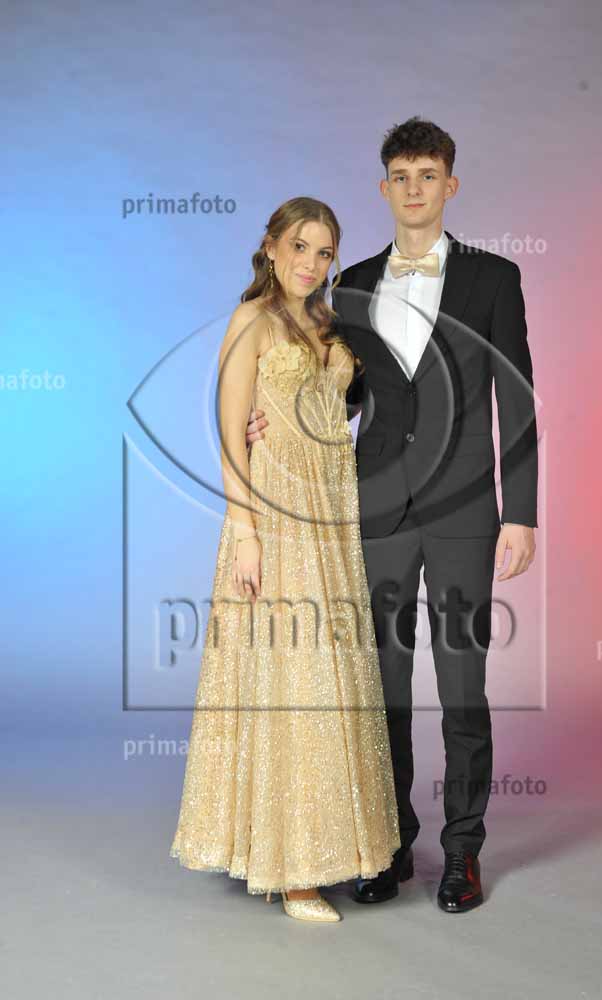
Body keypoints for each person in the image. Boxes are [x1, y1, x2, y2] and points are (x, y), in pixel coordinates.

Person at [245, 118, 538, 913]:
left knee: (463, 684)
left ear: (449, 185)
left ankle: (462, 850)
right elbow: (341, 392)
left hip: (464, 510)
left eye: (427, 174)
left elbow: (515, 400)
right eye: (400, 176)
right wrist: (272, 411)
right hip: (374, 508)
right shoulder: (351, 281)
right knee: (381, 688)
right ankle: (391, 845)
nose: (414, 188)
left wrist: (521, 513)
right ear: (384, 188)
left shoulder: (494, 277)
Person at [170, 196, 401, 923]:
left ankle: (337, 845)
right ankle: (293, 867)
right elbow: (228, 434)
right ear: (270, 247)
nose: (311, 263)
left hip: (331, 514)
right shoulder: (251, 321)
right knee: (292, 673)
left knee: (332, 674)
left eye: (324, 252)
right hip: (274, 516)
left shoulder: (331, 324)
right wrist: (245, 531)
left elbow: (338, 409)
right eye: (299, 246)